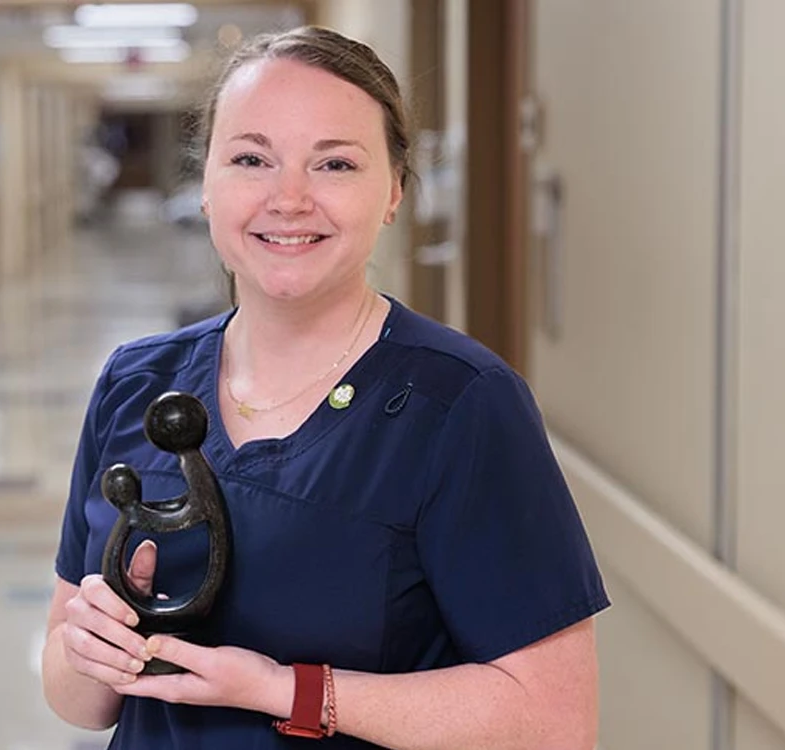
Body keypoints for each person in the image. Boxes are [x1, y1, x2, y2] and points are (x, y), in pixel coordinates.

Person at [42, 26, 609, 749]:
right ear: (206, 185)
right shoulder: (136, 382)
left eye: (335, 164)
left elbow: (556, 723)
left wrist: (286, 690)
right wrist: (89, 647)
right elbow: (77, 701)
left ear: (394, 191)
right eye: (251, 159)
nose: (289, 199)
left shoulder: (460, 404)